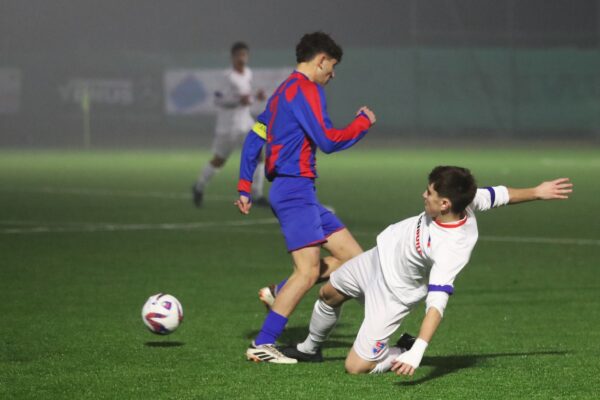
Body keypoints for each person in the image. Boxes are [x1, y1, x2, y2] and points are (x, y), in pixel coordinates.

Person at [281, 166, 573, 375]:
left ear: (444, 204)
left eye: (429, 192)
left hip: (394, 292)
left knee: (355, 367)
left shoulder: (453, 247)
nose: (424, 194)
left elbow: (437, 303)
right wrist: (537, 191)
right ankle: (309, 349)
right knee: (328, 293)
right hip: (377, 257)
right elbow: (500, 195)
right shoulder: (466, 199)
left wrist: (418, 351)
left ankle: (400, 350)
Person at [234, 32, 376, 363]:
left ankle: (278, 292)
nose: (333, 74)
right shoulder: (307, 89)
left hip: (298, 192)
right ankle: (264, 343)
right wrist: (361, 124)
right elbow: (327, 140)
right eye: (333, 66)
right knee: (308, 272)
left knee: (358, 261)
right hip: (294, 189)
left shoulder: (282, 91)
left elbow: (254, 139)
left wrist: (244, 186)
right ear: (321, 60)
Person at [193, 41, 267, 207]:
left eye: (244, 55)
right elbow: (218, 100)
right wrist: (237, 100)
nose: (242, 58)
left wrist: (256, 96)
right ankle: (199, 186)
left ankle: (256, 194)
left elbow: (246, 97)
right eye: (239, 55)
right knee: (219, 160)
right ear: (232, 57)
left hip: (246, 123)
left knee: (259, 154)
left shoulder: (247, 73)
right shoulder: (227, 77)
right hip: (228, 127)